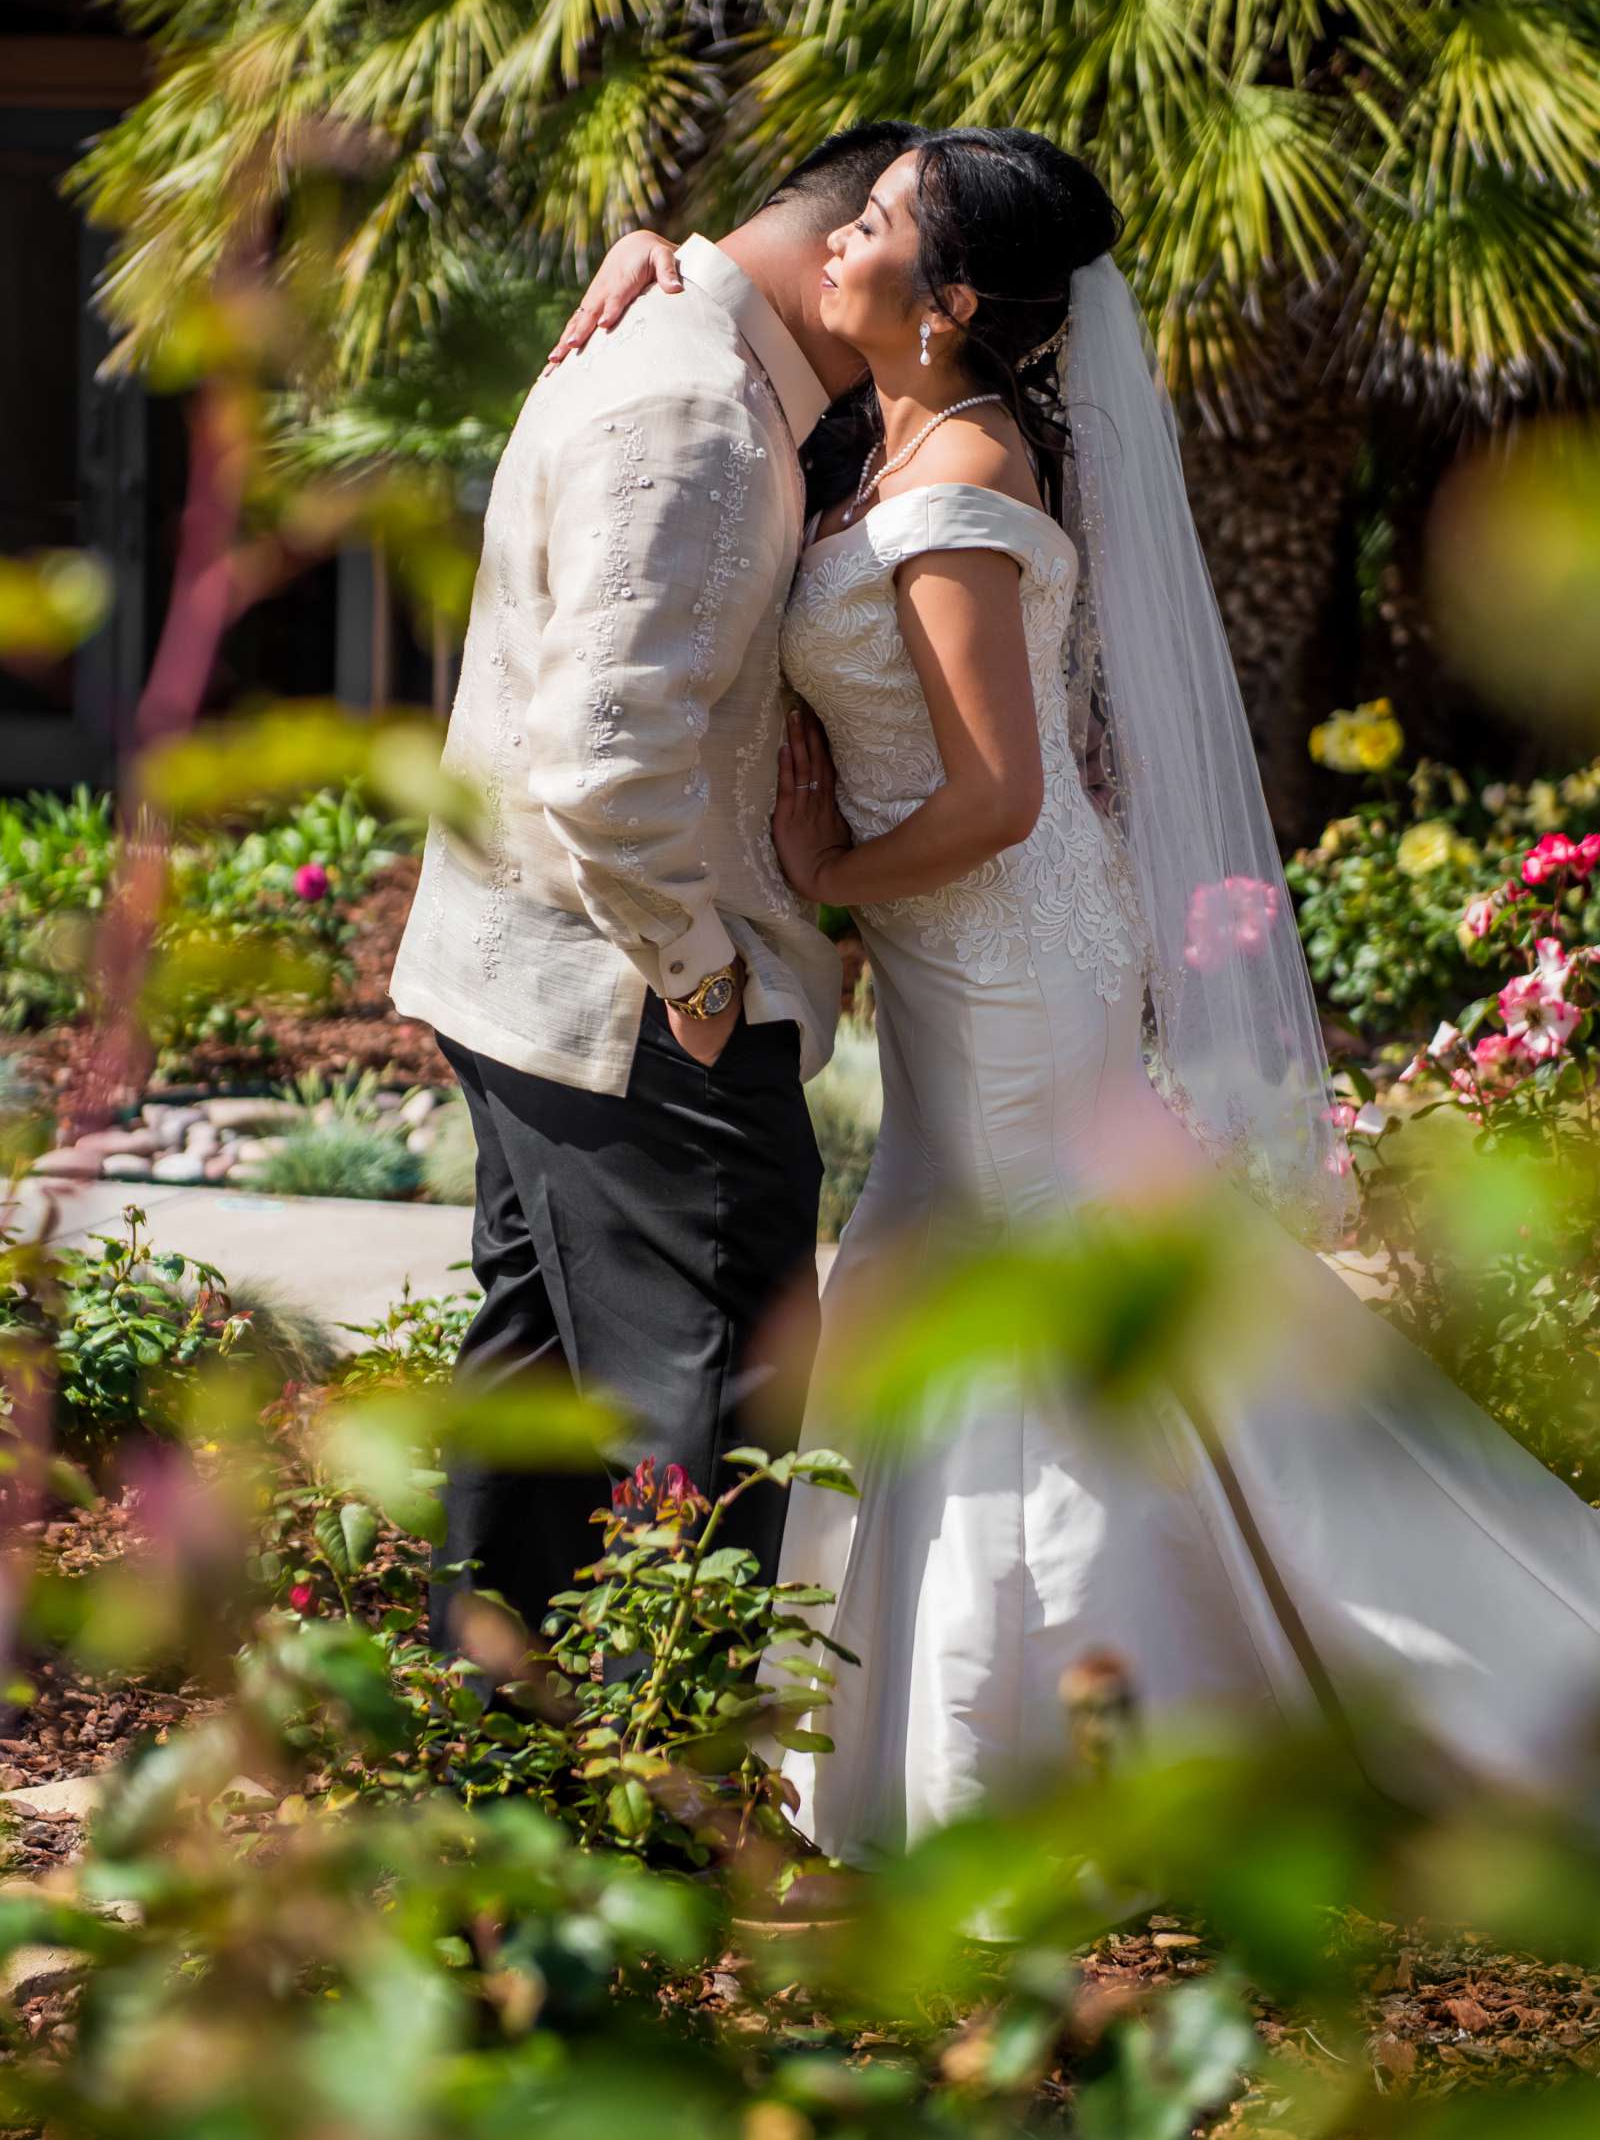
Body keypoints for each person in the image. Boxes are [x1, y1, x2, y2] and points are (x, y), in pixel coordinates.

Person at [558, 128, 1600, 1860]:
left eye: (878, 223)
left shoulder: (960, 485)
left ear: (953, 301)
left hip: (1014, 952)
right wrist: (649, 241)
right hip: (966, 954)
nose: (841, 236)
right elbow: (749, 292)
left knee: (1023, 1322)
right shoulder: (887, 422)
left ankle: (1057, 1765)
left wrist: (829, 881)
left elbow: (996, 797)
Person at [389, 121, 927, 1686]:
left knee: (540, 1398)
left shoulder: (692, 347)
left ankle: (492, 1786)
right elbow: (603, 757)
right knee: (704, 1424)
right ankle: (662, 1832)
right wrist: (699, 981)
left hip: (538, 981)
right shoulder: (694, 400)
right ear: (843, 252)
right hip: (631, 1002)